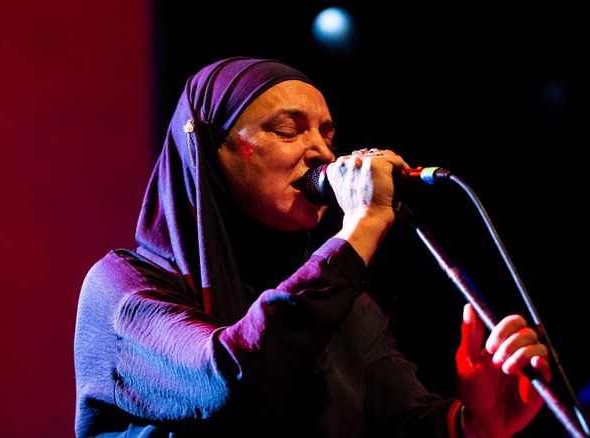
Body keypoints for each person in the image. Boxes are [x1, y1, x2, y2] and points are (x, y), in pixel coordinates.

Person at [73, 56, 551, 437]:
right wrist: (361, 228)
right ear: (210, 152)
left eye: (327, 133)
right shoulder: (124, 291)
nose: (323, 152)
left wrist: (476, 424)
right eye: (288, 129)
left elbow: (402, 424)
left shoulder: (345, 306)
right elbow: (231, 383)